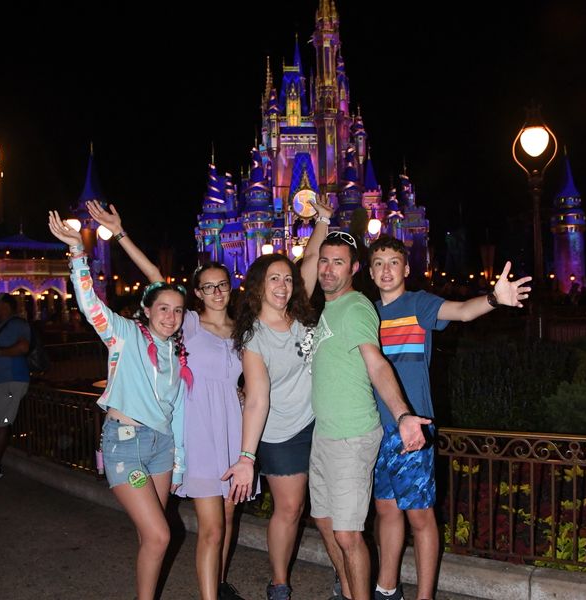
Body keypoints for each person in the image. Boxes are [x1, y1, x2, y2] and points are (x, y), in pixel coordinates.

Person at [86, 200, 247, 600]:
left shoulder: (243, 329)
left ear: (231, 288)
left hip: (205, 434)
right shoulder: (186, 324)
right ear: (197, 292)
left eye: (221, 285)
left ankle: (217, 584)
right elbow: (157, 279)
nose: (215, 292)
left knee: (210, 523)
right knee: (171, 532)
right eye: (206, 286)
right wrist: (119, 233)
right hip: (167, 435)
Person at [367, 235, 532, 600]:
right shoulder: (367, 314)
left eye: (394, 262)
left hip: (414, 429)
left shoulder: (418, 304)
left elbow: (461, 311)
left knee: (420, 517)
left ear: (407, 268)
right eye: (378, 263)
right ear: (370, 271)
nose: (386, 270)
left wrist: (493, 299)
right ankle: (387, 589)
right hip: (376, 430)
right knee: (386, 512)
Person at [48, 210, 191, 600]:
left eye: (177, 310)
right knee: (160, 535)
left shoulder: (175, 354)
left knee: (152, 535)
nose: (171, 316)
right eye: (163, 307)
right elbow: (90, 303)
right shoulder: (125, 335)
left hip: (161, 449)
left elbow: (174, 411)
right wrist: (78, 251)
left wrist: (178, 461)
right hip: (125, 444)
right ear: (146, 309)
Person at [308, 231, 430, 600]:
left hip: (352, 436)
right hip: (324, 434)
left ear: (354, 269)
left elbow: (376, 363)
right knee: (325, 523)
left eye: (339, 262)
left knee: (347, 534)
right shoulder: (324, 310)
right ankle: (348, 591)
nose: (328, 270)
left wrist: (403, 413)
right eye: (323, 261)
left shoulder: (357, 306)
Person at [224, 199, 333, 600]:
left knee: (324, 508)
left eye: (286, 279)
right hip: (282, 432)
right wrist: (247, 458)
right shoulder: (255, 336)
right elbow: (256, 400)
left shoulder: (300, 314)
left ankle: (345, 572)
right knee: (289, 510)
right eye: (274, 279)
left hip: (320, 423)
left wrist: (322, 219)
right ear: (258, 285)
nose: (283, 285)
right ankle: (280, 583)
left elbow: (312, 256)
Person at [0, 293, 31, 479]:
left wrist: (0, 352)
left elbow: (23, 347)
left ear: (6, 306)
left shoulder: (18, 324)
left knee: (1, 423)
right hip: (1, 380)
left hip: (11, 379)